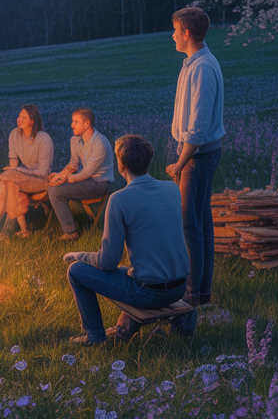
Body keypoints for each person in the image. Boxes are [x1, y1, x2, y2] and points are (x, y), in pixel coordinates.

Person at [62, 135, 189, 344]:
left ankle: (94, 336)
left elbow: (108, 262)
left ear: (121, 165)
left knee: (76, 271)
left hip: (148, 293)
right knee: (128, 270)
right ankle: (122, 329)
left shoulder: (119, 199)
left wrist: (79, 255)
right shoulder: (172, 188)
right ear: (148, 160)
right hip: (179, 288)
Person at [166, 6, 225, 333]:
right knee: (201, 222)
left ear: (187, 32)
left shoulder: (202, 68)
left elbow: (199, 128)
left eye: (176, 30)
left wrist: (180, 162)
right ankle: (202, 294)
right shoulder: (195, 63)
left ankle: (192, 295)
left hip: (198, 155)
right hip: (199, 153)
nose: (173, 35)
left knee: (191, 224)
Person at [0, 104, 53, 242]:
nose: (19, 119)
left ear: (32, 121)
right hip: (24, 178)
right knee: (7, 181)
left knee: (7, 179)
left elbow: (43, 172)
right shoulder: (14, 134)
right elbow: (13, 163)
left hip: (42, 180)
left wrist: (17, 171)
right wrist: (13, 170)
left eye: (24, 117)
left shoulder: (43, 138)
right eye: (19, 116)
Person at [46, 108, 115, 241]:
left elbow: (87, 172)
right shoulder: (75, 140)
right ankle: (68, 229)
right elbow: (73, 164)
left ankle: (70, 233)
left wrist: (64, 180)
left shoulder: (99, 142)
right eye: (72, 121)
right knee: (52, 188)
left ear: (87, 123)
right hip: (87, 180)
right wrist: (59, 175)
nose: (72, 125)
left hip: (101, 183)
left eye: (76, 122)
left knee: (55, 192)